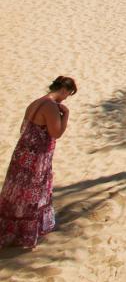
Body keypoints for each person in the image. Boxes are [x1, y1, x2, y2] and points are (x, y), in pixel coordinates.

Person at [0, 76, 77, 249]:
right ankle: (25, 232)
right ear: (64, 90)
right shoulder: (50, 106)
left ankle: (10, 226)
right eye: (68, 94)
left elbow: (23, 128)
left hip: (22, 152)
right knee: (33, 191)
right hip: (37, 156)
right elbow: (56, 132)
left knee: (17, 190)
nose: (66, 97)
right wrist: (66, 116)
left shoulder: (36, 102)